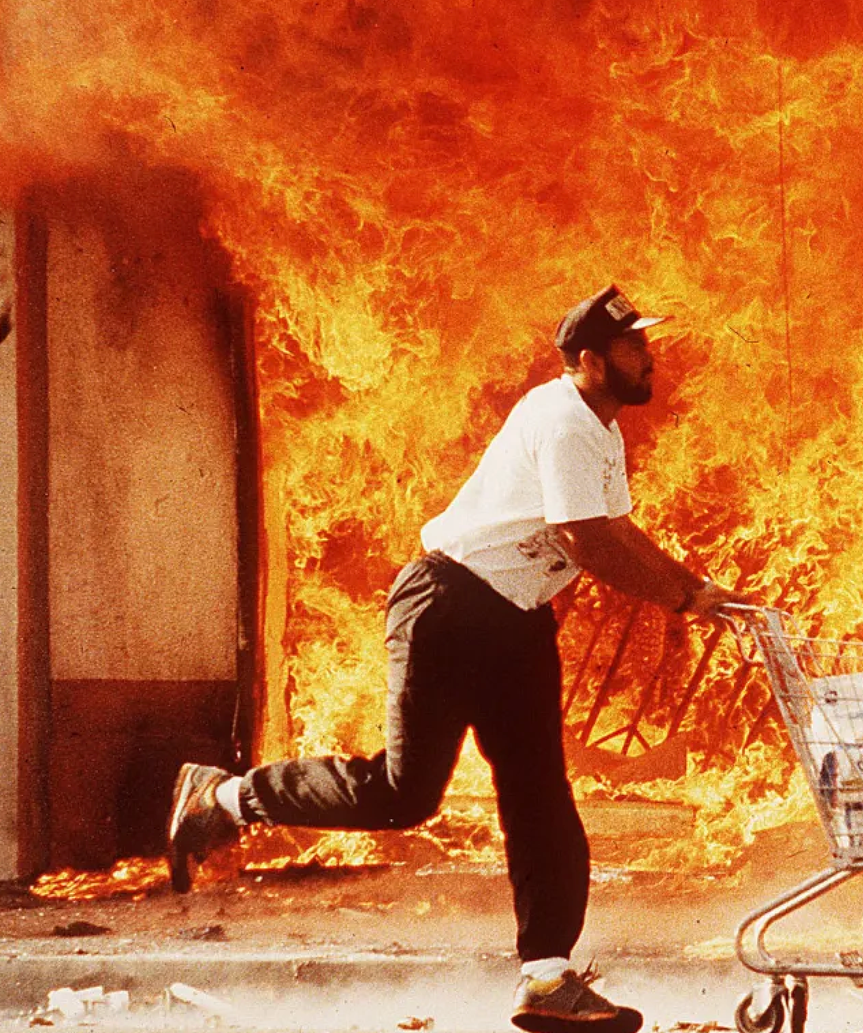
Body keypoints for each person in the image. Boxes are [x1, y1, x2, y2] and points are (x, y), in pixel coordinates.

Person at [166, 285, 742, 1033]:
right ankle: (224, 798)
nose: (649, 355)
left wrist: (693, 586)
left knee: (540, 794)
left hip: (515, 619)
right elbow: (585, 540)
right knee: (404, 795)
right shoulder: (562, 417)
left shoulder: (602, 430)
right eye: (634, 346)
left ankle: (547, 976)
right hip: (451, 604)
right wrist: (682, 598)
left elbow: (618, 530)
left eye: (645, 342)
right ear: (591, 360)